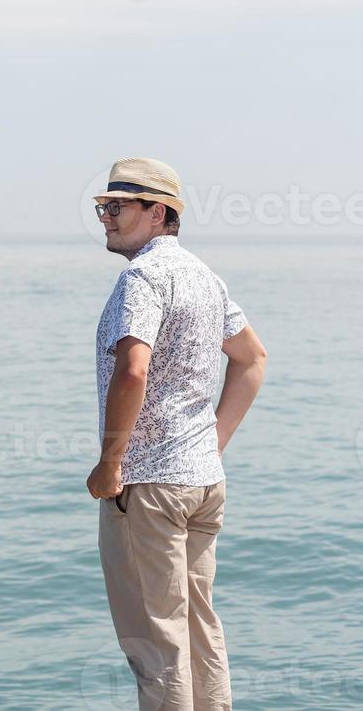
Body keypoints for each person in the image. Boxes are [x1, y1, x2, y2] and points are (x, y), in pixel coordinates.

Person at [86, 156, 267, 711]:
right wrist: (212, 443)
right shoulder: (204, 278)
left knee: (157, 648)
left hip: (150, 489)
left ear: (157, 211)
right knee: (199, 633)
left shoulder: (141, 277)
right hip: (201, 485)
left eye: (116, 207)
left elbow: (133, 369)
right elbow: (252, 359)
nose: (106, 218)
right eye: (102, 208)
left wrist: (111, 462)